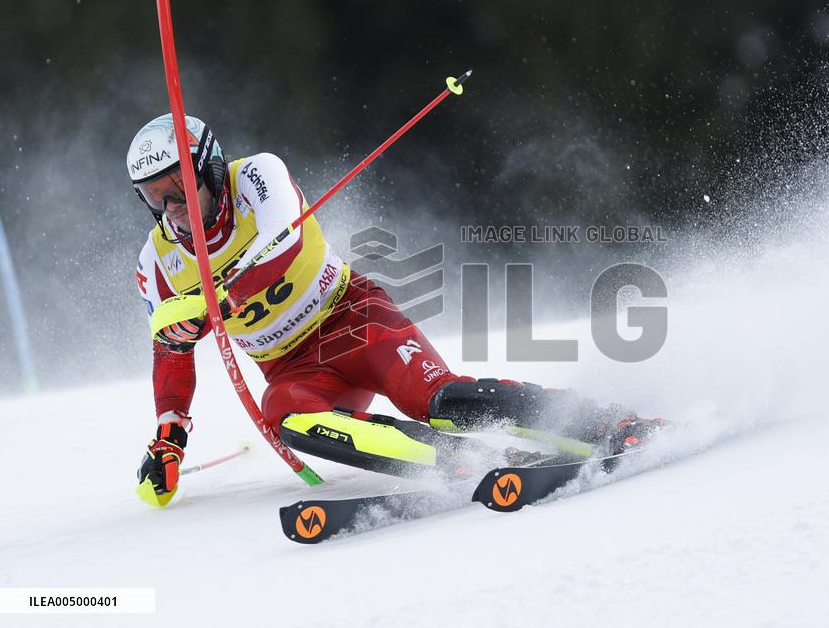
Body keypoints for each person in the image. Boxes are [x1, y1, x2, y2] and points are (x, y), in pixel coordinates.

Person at [128, 114, 666, 506]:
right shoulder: (158, 262)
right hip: (293, 367)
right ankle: (454, 459)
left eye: (179, 190)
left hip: (353, 321)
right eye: (155, 198)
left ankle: (610, 422)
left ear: (212, 169)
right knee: (284, 414)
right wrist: (169, 436)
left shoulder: (257, 178)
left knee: (435, 396)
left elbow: (280, 246)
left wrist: (217, 300)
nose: (172, 210)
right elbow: (169, 351)